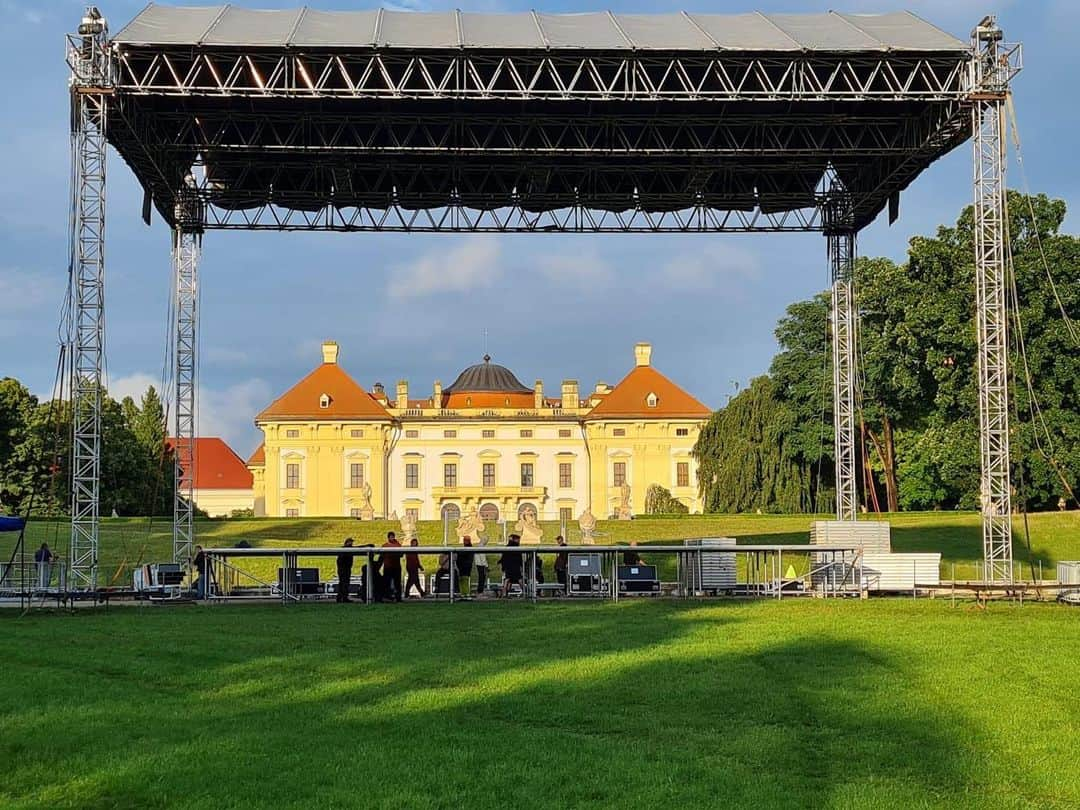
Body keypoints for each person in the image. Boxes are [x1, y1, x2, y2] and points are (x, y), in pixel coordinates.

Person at [381, 531, 403, 602]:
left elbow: (401, 554)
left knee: (397, 583)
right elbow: (382, 556)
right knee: (387, 583)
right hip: (388, 567)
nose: (392, 538)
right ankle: (387, 597)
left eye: (393, 536)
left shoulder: (398, 545)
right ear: (388, 538)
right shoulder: (384, 546)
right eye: (391, 537)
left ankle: (398, 597)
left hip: (396, 567)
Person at [336, 538, 355, 603]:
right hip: (344, 570)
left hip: (345, 569)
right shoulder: (345, 550)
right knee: (344, 583)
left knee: (343, 583)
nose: (352, 544)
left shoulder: (345, 550)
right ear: (347, 542)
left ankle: (342, 597)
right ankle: (342, 598)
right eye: (350, 542)